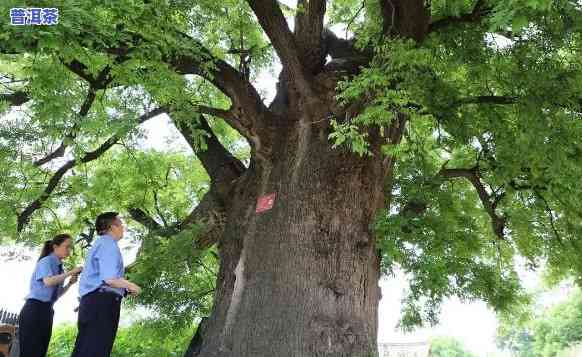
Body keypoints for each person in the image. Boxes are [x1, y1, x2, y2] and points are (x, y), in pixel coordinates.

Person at [71, 212, 141, 357]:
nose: (123, 227)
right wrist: (131, 285)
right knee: (95, 351)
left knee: (86, 350)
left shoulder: (101, 243)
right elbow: (109, 279)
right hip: (101, 305)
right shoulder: (108, 243)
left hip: (94, 304)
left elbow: (105, 279)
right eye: (120, 224)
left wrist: (124, 290)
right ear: (112, 227)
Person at [18, 234, 83, 357]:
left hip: (47, 311)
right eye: (67, 247)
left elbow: (55, 295)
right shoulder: (46, 261)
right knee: (30, 351)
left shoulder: (60, 269)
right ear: (55, 246)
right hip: (34, 309)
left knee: (40, 351)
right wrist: (71, 272)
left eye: (71, 248)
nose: (69, 251)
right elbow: (48, 281)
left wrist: (69, 284)